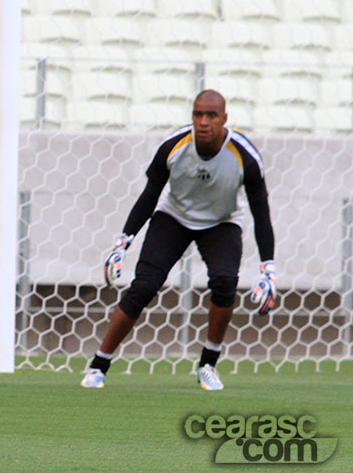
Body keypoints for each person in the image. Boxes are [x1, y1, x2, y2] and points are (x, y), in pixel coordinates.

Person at [81, 89, 275, 391]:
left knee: (225, 282)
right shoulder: (174, 146)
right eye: (198, 114)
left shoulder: (245, 156)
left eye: (211, 115)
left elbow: (261, 212)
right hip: (174, 217)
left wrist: (268, 270)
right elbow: (150, 195)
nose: (203, 121)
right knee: (143, 286)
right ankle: (98, 366)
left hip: (221, 222)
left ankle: (208, 364)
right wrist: (122, 244)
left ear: (225, 119)